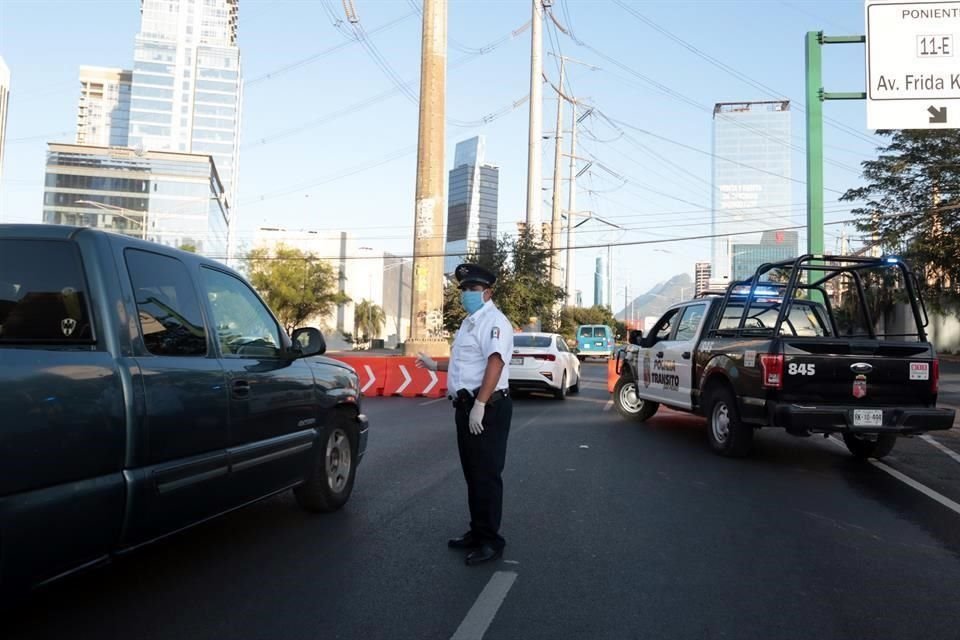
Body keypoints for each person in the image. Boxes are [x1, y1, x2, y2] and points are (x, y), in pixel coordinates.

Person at [416, 263, 514, 566]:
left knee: (486, 475)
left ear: (487, 292)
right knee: (473, 475)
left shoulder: (494, 322)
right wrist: (435, 366)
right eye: (464, 290)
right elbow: (464, 364)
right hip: (466, 406)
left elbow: (495, 364)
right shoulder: (470, 323)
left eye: (472, 290)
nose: (466, 295)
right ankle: (477, 531)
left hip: (488, 407)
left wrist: (481, 405)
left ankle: (491, 540)